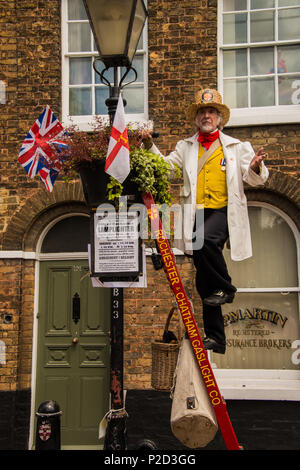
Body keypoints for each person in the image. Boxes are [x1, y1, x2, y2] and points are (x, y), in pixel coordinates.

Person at [143, 88, 269, 354]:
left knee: (209, 242)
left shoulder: (235, 146)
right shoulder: (185, 147)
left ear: (220, 118)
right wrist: (148, 145)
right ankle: (217, 338)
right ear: (196, 118)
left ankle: (228, 287)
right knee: (203, 282)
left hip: (223, 210)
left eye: (211, 112)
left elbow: (254, 177)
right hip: (196, 213)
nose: (207, 115)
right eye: (202, 112)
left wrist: (256, 165)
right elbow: (166, 170)